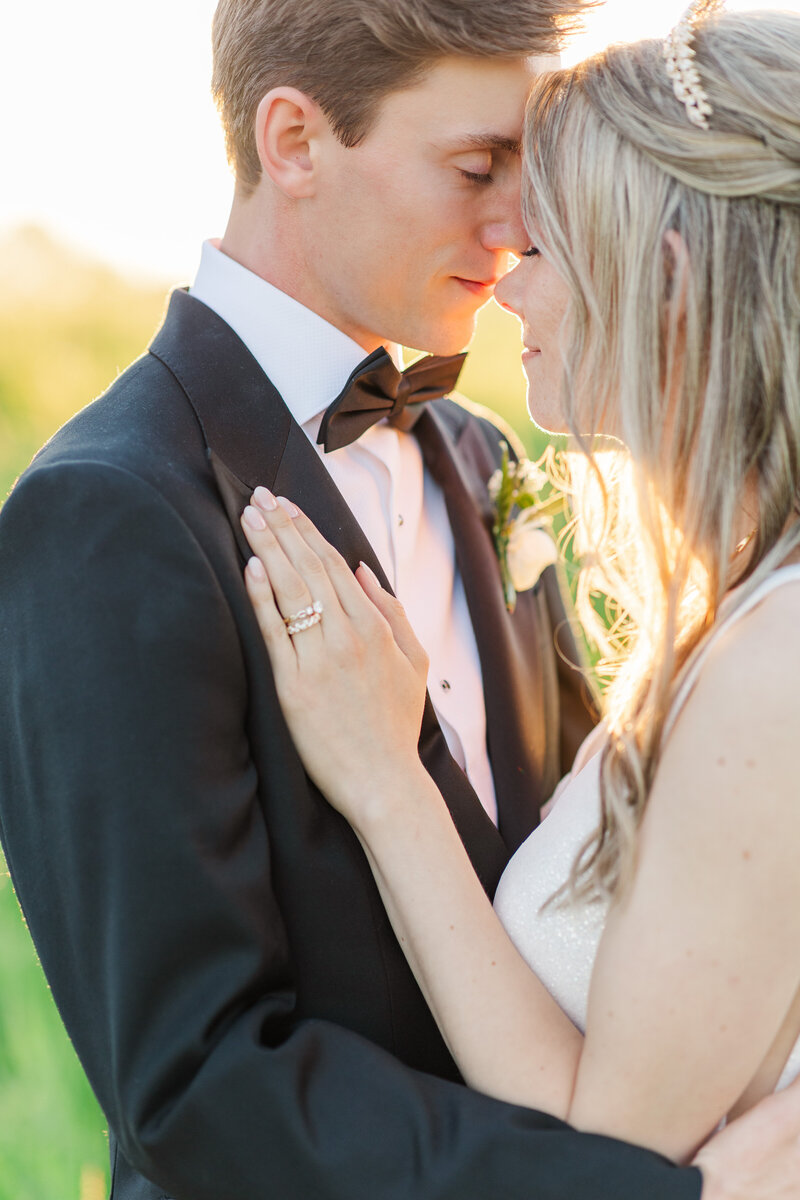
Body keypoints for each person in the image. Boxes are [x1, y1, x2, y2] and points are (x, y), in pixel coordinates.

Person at [0, 0, 797, 1197]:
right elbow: (193, 1080)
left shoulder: (483, 458)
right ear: (294, 143)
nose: (517, 223)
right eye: (476, 166)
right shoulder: (111, 514)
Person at [237, 0, 800, 1184]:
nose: (506, 284)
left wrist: (389, 784)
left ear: (666, 283)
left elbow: (603, 1154)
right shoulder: (740, 610)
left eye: (541, 244)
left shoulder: (774, 661)